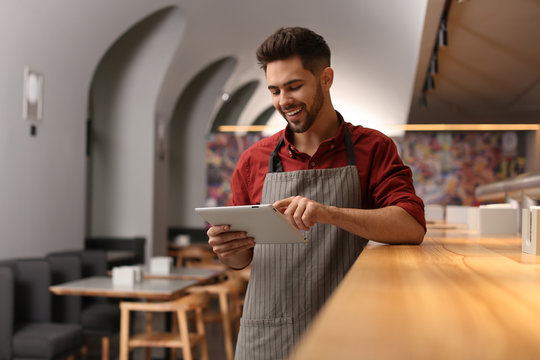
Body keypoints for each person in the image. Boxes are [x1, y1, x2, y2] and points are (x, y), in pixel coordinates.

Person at [207, 26, 426, 359]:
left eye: (294, 87)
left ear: (326, 78)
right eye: (275, 90)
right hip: (269, 333)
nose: (284, 101)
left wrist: (328, 213)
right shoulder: (253, 160)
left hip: (350, 330)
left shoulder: (374, 148)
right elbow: (241, 259)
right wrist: (227, 250)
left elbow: (410, 226)